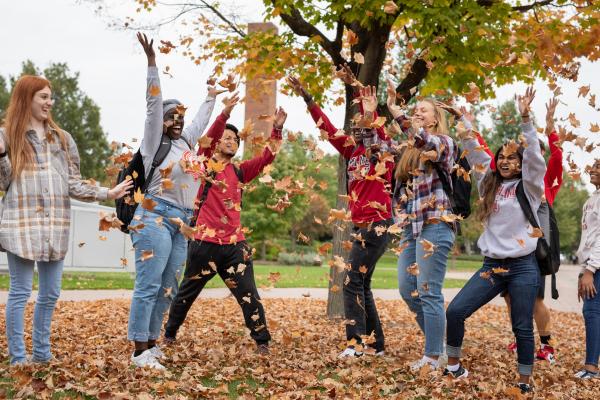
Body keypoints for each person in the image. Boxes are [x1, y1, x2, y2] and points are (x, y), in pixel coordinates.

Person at [0, 75, 132, 366]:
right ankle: (18, 358)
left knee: (51, 292)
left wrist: (107, 192)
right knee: (20, 292)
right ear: (26, 99)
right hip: (20, 224)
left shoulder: (62, 139)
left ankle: (42, 354)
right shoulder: (7, 135)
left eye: (51, 97)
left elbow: (73, 183)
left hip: (55, 224)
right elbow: (5, 181)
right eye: (43, 97)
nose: (50, 102)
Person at [163, 100, 288, 355]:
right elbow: (207, 140)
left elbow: (267, 157)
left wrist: (276, 129)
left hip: (234, 247)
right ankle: (169, 334)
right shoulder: (205, 165)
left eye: (235, 140)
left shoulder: (241, 172)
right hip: (203, 245)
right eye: (226, 138)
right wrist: (224, 114)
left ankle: (262, 341)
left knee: (249, 295)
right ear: (218, 142)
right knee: (186, 293)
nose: (230, 141)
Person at [127, 33, 220, 370]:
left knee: (168, 287)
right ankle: (139, 349)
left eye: (180, 116)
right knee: (150, 283)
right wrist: (153, 64)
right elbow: (153, 106)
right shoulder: (154, 141)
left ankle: (151, 345)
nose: (177, 121)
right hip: (153, 214)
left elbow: (199, 122)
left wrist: (210, 97)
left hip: (180, 222)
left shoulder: (187, 144)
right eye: (172, 117)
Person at [444, 87, 544, 394]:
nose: (504, 161)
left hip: (523, 267)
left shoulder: (529, 186)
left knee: (522, 326)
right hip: (492, 267)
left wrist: (525, 118)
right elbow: (473, 148)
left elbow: (536, 158)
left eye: (512, 158)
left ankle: (524, 381)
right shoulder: (487, 182)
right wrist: (462, 119)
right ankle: (453, 367)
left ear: (521, 162)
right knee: (456, 311)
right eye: (501, 157)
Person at [288, 71, 394, 358]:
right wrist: (306, 96)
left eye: (364, 123)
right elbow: (326, 125)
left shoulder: (381, 149)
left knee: (349, 281)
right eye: (355, 125)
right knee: (362, 283)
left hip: (378, 223)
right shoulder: (352, 149)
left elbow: (375, 126)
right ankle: (376, 345)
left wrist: (364, 103)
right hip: (362, 226)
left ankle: (356, 344)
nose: (358, 127)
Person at [474, 98, 563, 363]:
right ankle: (520, 336)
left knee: (534, 301)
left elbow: (556, 154)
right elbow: (489, 158)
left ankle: (547, 344)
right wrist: (472, 132)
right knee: (511, 298)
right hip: (507, 247)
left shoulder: (544, 178)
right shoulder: (511, 180)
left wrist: (549, 127)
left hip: (534, 244)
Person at [386, 87, 459, 371]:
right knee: (408, 290)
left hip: (435, 223)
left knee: (429, 291)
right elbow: (377, 149)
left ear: (435, 117)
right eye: (415, 109)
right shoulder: (408, 151)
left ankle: (432, 356)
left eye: (423, 110)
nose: (417, 112)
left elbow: (423, 140)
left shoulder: (444, 142)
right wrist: (371, 112)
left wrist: (399, 115)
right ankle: (438, 344)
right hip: (411, 228)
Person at [574, 159, 600, 379]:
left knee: (592, 312)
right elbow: (588, 239)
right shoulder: (591, 200)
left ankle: (591, 367)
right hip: (592, 265)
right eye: (593, 165)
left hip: (598, 265)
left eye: (599, 166)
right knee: (592, 312)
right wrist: (583, 270)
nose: (593, 169)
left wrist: (591, 269)